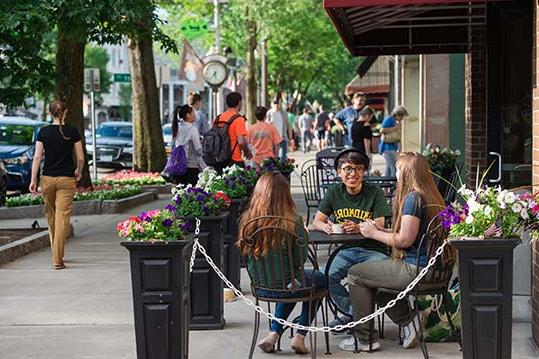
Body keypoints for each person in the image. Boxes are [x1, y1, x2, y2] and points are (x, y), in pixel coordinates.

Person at [339, 152, 448, 352]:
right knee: (373, 281)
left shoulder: (413, 199)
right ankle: (409, 321)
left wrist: (372, 233)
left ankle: (365, 340)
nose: (395, 173)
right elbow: (412, 233)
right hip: (436, 270)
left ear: (407, 173)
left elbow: (404, 240)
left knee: (356, 274)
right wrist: (382, 230)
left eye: (398, 169)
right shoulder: (431, 195)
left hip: (417, 270)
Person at [237, 172, 326, 355]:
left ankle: (273, 335)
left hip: (261, 287)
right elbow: (299, 259)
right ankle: (300, 335)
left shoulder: (247, 220)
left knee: (290, 283)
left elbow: (244, 253)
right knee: (320, 279)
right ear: (285, 193)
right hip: (288, 284)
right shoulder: (293, 222)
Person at [312, 149, 390, 326]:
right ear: (339, 172)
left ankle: (357, 319)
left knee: (375, 280)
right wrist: (326, 226)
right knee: (324, 277)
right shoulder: (334, 192)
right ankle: (354, 315)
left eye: (358, 169)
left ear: (364, 172)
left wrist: (358, 228)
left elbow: (380, 224)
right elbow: (317, 220)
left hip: (373, 250)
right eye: (347, 169)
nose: (353, 174)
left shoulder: (374, 191)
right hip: (345, 250)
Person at [29, 100, 84, 270]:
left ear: (50, 112)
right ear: (65, 112)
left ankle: (56, 253)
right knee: (62, 218)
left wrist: (33, 180)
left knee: (52, 217)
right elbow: (80, 157)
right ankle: (57, 258)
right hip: (66, 180)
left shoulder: (43, 132)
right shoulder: (72, 131)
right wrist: (79, 170)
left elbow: (37, 158)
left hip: (47, 179)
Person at [213, 92, 252, 170]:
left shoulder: (218, 118)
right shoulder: (239, 119)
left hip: (220, 160)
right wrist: (247, 152)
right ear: (239, 102)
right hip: (234, 159)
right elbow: (241, 141)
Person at [171, 104, 205, 185]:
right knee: (192, 192)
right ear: (188, 115)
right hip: (191, 166)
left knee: (180, 192)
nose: (195, 115)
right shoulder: (192, 129)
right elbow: (198, 150)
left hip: (179, 165)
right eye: (193, 113)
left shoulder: (177, 127)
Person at [379, 105, 408, 177]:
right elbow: (382, 130)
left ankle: (386, 186)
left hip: (392, 147)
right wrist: (396, 128)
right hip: (387, 147)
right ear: (398, 114)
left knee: (388, 168)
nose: (402, 118)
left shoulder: (394, 120)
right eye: (402, 116)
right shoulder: (389, 119)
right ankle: (394, 185)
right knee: (394, 167)